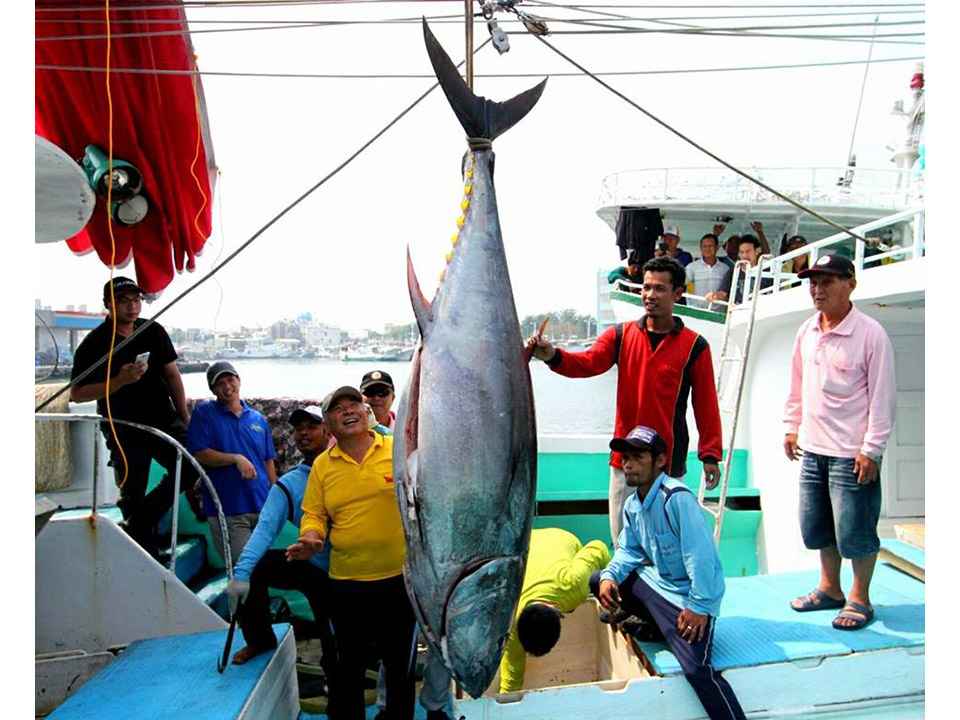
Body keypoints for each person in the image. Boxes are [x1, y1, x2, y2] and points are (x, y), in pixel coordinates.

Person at [526, 255, 724, 546]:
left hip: (667, 462)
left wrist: (710, 455)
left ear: (677, 293)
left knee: (667, 542)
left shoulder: (695, 346)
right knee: (622, 540)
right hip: (626, 460)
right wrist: (553, 356)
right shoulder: (621, 335)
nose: (649, 295)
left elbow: (706, 404)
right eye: (645, 287)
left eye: (659, 288)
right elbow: (587, 363)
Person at [591, 425, 745, 720]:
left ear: (660, 461)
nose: (628, 463)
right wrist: (611, 575)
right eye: (625, 457)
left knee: (697, 672)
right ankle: (658, 625)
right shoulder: (633, 505)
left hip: (688, 600)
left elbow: (700, 557)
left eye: (637, 456)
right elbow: (629, 552)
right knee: (598, 580)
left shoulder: (676, 498)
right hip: (660, 586)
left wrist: (699, 607)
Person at [288, 386, 416, 720]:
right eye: (337, 407)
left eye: (354, 403)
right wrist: (312, 539)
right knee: (348, 671)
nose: (348, 410)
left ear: (366, 412)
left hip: (400, 582)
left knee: (399, 669)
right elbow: (314, 514)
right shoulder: (323, 467)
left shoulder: (398, 448)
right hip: (346, 585)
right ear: (327, 425)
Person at [783, 254, 896, 631]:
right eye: (813, 282)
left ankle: (860, 598)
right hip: (813, 449)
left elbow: (883, 397)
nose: (817, 289)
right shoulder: (807, 330)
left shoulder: (871, 333)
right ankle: (830, 588)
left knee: (856, 532)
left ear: (850, 283)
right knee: (817, 527)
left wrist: (872, 449)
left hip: (852, 454)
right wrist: (791, 426)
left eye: (827, 281)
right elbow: (796, 384)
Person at [69, 276, 198, 559]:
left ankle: (140, 524)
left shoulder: (153, 331)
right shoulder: (95, 343)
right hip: (123, 427)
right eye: (124, 301)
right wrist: (119, 381)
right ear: (108, 305)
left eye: (136, 300)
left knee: (192, 465)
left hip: (163, 418)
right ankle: (145, 550)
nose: (132, 307)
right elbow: (77, 393)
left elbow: (172, 375)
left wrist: (184, 417)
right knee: (132, 491)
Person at [224, 405, 337, 681]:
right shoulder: (288, 484)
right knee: (255, 568)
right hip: (311, 563)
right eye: (299, 429)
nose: (304, 433)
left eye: (311, 426)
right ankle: (260, 638)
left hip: (346, 571)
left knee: (337, 646)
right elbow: (263, 531)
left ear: (327, 429)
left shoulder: (344, 467)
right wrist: (240, 574)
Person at [498, 528, 611, 693]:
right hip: (529, 539)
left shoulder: (574, 584)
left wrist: (611, 584)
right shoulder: (512, 617)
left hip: (561, 538)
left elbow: (598, 547)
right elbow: (511, 674)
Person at [187, 361, 277, 565]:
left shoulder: (258, 419)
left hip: (261, 506)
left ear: (239, 381)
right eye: (219, 383)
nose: (227, 386)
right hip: (228, 509)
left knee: (262, 567)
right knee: (243, 568)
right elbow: (199, 453)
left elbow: (267, 460)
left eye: (230, 379)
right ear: (212, 389)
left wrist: (275, 497)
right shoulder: (205, 414)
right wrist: (235, 458)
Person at [713, 234, 773, 304]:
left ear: (757, 251)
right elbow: (722, 293)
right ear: (738, 254)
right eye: (741, 252)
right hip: (738, 311)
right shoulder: (733, 273)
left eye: (748, 251)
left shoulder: (767, 272)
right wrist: (714, 295)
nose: (744, 255)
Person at [684, 234, 732, 309]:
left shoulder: (725, 268)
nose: (707, 249)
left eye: (710, 246)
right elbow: (681, 281)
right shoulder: (692, 267)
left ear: (717, 248)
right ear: (700, 248)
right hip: (697, 311)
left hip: (719, 313)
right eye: (704, 246)